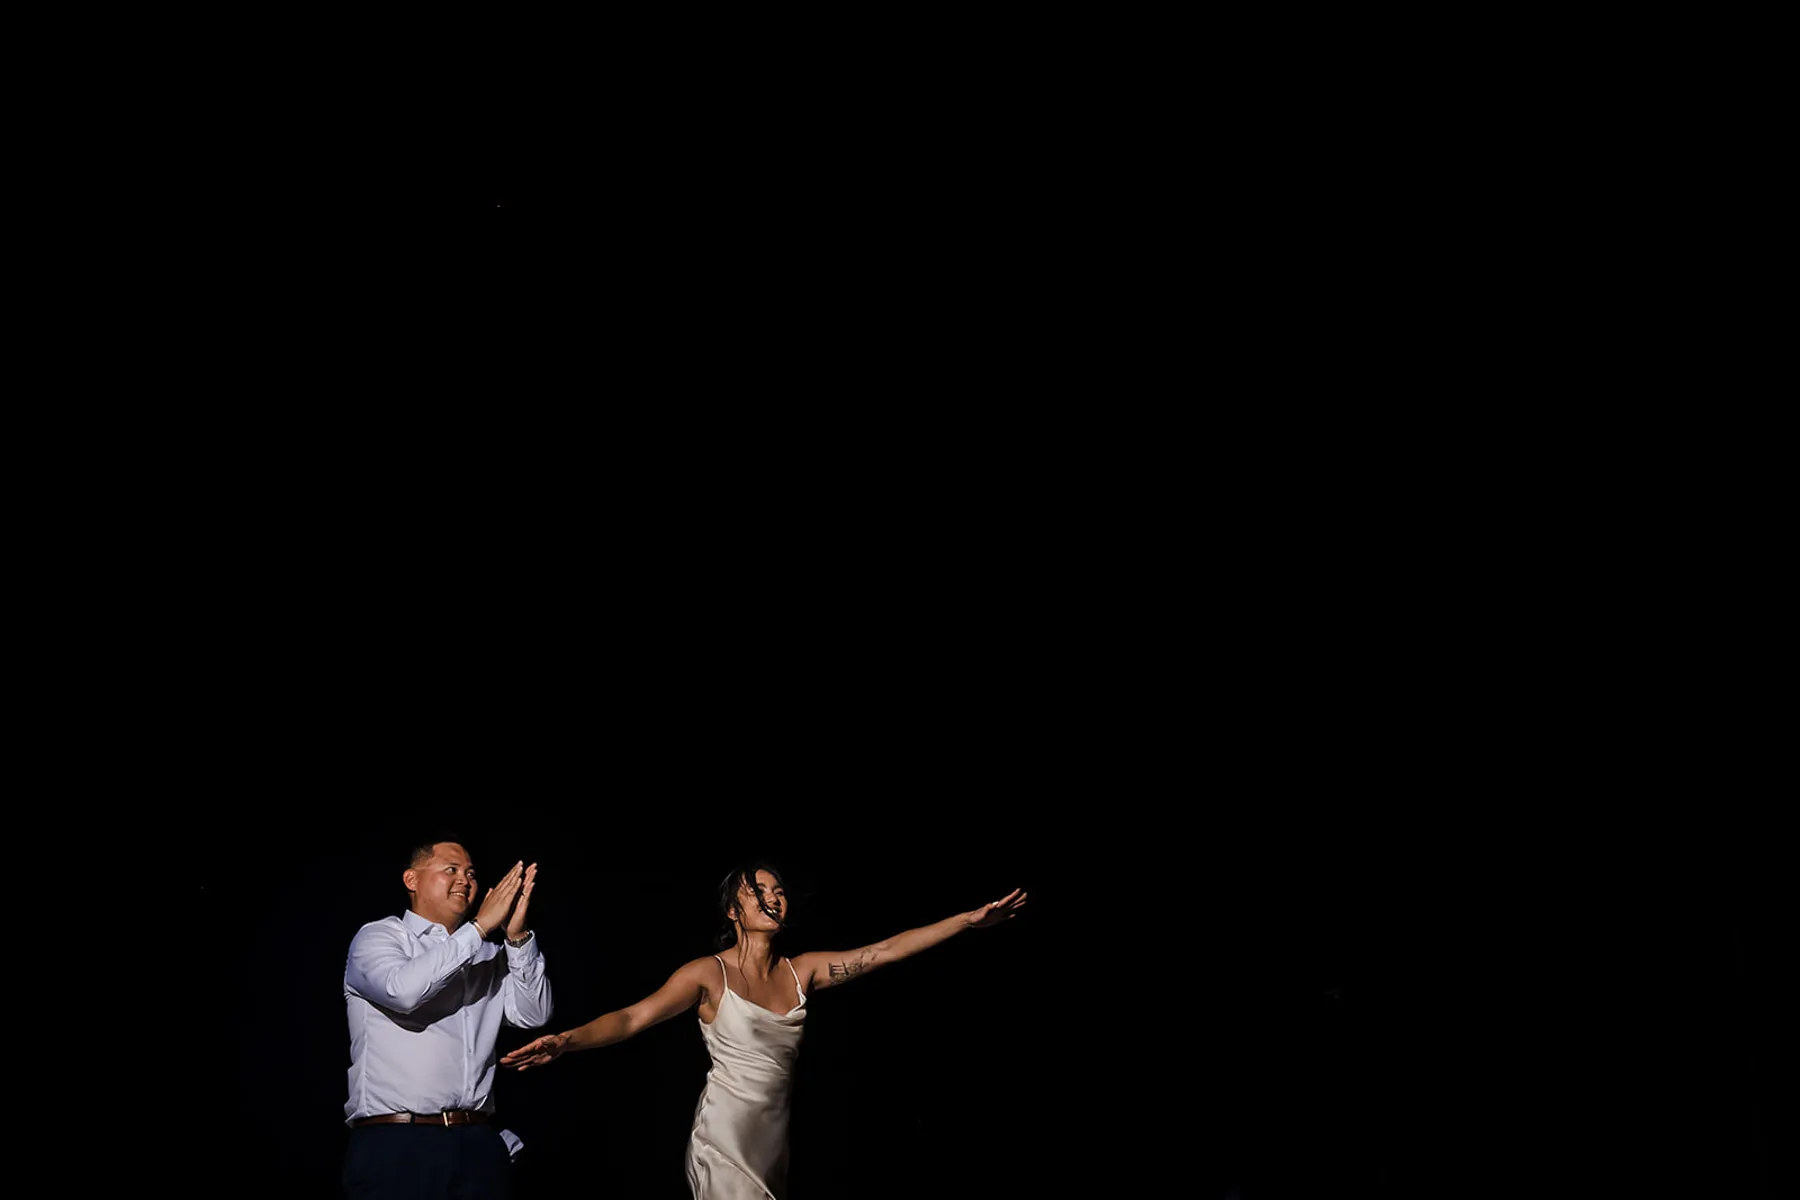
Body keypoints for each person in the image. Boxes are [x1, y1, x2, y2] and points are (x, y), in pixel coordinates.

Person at [501, 860, 1026, 1199]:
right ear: (734, 909)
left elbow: (885, 951)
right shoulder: (709, 974)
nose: (772, 898)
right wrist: (567, 1040)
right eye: (758, 891)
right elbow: (634, 1017)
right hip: (723, 1142)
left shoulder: (805, 971)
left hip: (774, 1144)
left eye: (778, 891)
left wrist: (966, 922)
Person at [341, 836, 553, 1200]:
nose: (465, 880)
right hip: (398, 1141)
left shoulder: (487, 952)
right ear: (412, 881)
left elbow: (533, 1015)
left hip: (477, 1139)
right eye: (451, 870)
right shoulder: (380, 936)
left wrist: (516, 938)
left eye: (471, 873)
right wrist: (479, 928)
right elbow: (402, 992)